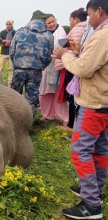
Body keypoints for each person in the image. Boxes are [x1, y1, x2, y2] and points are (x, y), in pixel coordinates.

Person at [54, 0, 108, 219]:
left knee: (80, 150)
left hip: (93, 104)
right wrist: (79, 51)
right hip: (104, 103)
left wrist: (64, 55)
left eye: (89, 13)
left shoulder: (102, 35)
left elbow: (83, 68)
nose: (88, 19)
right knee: (100, 149)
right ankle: (96, 189)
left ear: (99, 11)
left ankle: (91, 204)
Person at [9, 10, 54, 120]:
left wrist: (17, 64)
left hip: (19, 69)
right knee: (31, 100)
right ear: (43, 21)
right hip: (36, 71)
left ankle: (11, 122)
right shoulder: (48, 35)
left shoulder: (20, 32)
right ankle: (27, 126)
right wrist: (41, 66)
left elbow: (11, 51)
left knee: (13, 97)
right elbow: (49, 55)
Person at [58, 8, 88, 131]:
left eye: (70, 20)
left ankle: (71, 125)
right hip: (81, 65)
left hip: (73, 66)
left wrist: (63, 54)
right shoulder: (88, 28)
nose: (69, 23)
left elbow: (71, 49)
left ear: (76, 19)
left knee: (72, 95)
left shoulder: (76, 30)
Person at [38, 14, 68, 125]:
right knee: (44, 91)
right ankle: (46, 114)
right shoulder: (43, 33)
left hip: (57, 64)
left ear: (56, 20)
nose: (51, 24)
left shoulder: (61, 31)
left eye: (52, 21)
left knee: (58, 91)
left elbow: (64, 47)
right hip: (45, 66)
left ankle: (61, 116)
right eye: (48, 23)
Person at [0, 19, 16, 87]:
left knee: (11, 69)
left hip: (12, 53)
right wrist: (2, 43)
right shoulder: (2, 32)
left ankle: (9, 85)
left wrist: (10, 42)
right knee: (1, 68)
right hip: (3, 53)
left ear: (12, 24)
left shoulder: (15, 33)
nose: (8, 25)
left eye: (9, 24)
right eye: (7, 24)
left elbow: (17, 42)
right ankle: (0, 83)